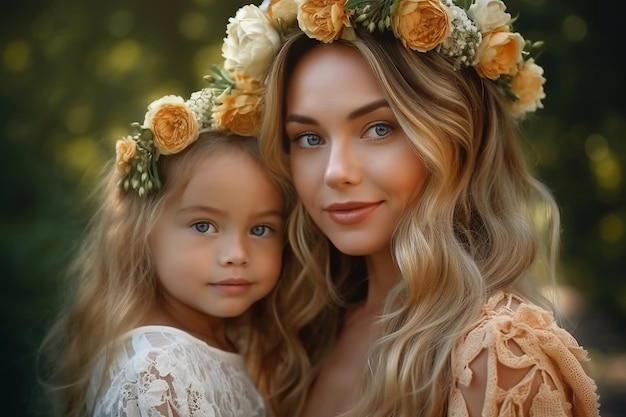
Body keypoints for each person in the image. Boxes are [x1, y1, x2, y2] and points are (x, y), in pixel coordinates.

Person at [213, 0, 601, 416]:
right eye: (309, 138)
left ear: (454, 136)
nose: (335, 172)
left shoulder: (500, 352)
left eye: (378, 129)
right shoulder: (303, 331)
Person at [38, 88, 302, 416]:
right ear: (142, 232)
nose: (236, 254)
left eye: (260, 229)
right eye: (204, 226)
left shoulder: (225, 343)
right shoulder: (161, 368)